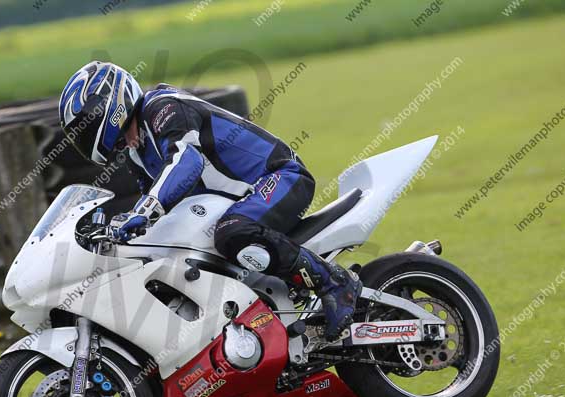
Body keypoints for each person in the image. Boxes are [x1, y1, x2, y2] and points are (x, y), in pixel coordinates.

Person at [58, 61, 361, 341]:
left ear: (111, 111)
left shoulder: (163, 108)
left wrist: (145, 210)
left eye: (120, 136)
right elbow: (156, 200)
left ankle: (334, 283)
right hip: (237, 202)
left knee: (233, 232)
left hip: (280, 176)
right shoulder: (138, 153)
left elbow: (186, 160)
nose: (123, 144)